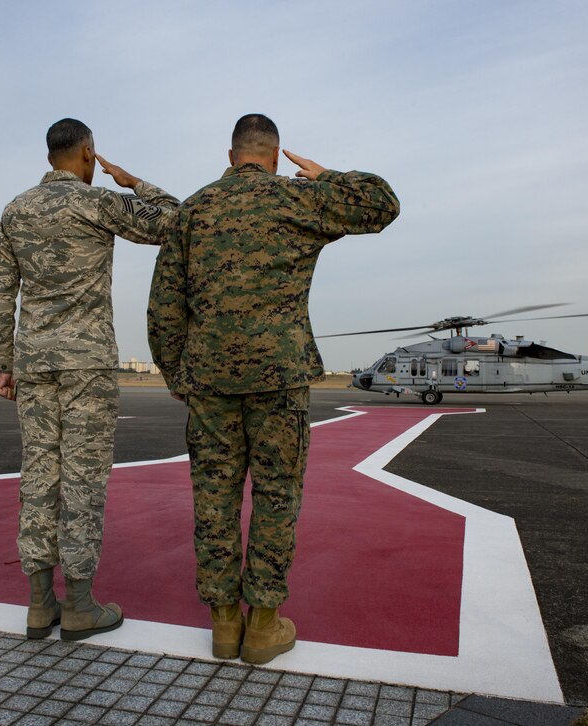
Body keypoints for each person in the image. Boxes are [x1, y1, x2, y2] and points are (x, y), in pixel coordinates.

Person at [147, 114, 400, 664]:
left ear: (231, 153)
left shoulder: (193, 210)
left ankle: (222, 623)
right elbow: (383, 203)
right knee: (276, 494)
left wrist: (177, 375)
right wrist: (325, 175)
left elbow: (164, 307)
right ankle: (262, 624)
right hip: (279, 377)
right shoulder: (297, 199)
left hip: (209, 380)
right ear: (276, 153)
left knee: (213, 496)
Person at [0, 118, 179, 641]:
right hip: (86, 363)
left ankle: (39, 604)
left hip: (35, 363)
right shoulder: (96, 203)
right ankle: (81, 605)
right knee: (83, 480)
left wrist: (4, 362)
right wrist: (133, 182)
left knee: (40, 476)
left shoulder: (14, 211)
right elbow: (174, 219)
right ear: (88, 153)